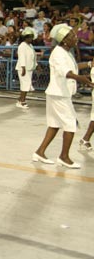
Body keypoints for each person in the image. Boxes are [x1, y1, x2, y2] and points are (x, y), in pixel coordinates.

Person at [33, 24, 94, 169]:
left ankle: (40, 152)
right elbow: (65, 72)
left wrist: (89, 63)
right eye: (72, 36)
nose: (76, 38)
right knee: (70, 124)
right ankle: (64, 157)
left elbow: (73, 68)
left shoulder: (66, 52)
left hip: (59, 93)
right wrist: (83, 79)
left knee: (54, 124)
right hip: (59, 94)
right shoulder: (58, 53)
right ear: (64, 40)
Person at [15, 27, 37, 109]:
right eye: (29, 37)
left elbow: (33, 56)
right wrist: (23, 67)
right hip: (23, 68)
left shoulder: (30, 45)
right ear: (25, 38)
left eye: (31, 37)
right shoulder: (22, 46)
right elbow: (22, 57)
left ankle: (20, 100)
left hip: (29, 68)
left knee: (27, 85)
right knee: (25, 85)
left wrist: (36, 65)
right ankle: (22, 102)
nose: (31, 38)